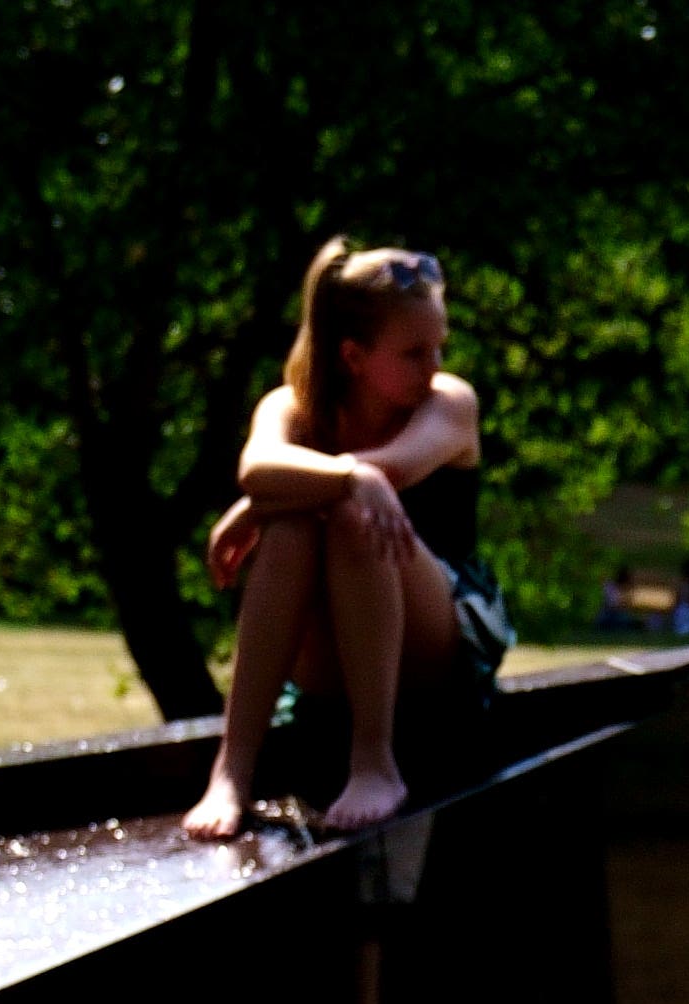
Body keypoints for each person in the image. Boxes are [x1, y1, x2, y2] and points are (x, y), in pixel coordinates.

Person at [185, 243, 510, 840]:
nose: (433, 364)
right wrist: (307, 490)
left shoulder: (449, 405)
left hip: (432, 647)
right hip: (330, 658)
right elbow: (257, 466)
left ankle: (374, 761)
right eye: (414, 353)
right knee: (291, 529)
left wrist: (270, 501)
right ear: (354, 357)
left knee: (352, 520)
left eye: (439, 345)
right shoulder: (292, 408)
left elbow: (397, 471)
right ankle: (232, 769)